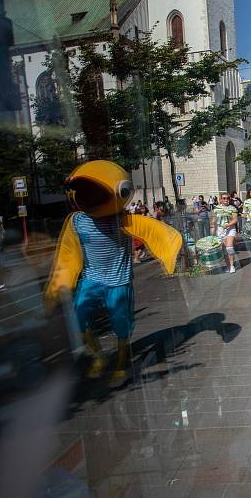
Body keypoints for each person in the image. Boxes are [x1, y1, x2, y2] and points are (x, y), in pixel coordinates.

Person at [44, 161, 181, 384]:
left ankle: (121, 356)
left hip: (119, 283)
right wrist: (57, 287)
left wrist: (171, 254)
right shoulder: (77, 221)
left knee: (122, 325)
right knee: (78, 320)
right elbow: (67, 254)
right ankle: (99, 355)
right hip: (90, 280)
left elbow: (157, 232)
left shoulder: (124, 220)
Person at [212, 192, 239, 274]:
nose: (226, 200)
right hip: (220, 230)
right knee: (224, 250)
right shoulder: (216, 208)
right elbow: (213, 220)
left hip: (230, 229)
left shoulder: (233, 208)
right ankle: (228, 266)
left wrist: (228, 224)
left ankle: (232, 266)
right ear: (220, 200)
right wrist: (213, 230)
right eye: (224, 198)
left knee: (229, 247)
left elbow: (235, 219)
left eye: (227, 198)